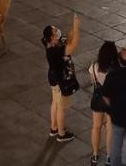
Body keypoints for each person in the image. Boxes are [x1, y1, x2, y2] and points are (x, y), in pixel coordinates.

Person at [43, 15, 81, 143]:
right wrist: (76, 27)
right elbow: (73, 45)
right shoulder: (56, 50)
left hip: (53, 78)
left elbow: (68, 39)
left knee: (55, 102)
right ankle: (61, 133)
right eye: (55, 31)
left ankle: (54, 128)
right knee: (61, 107)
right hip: (60, 80)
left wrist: (73, 25)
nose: (57, 30)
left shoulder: (51, 43)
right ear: (52, 38)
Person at [88, 41, 119, 166]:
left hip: (97, 99)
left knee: (96, 126)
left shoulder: (94, 67)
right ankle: (110, 156)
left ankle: (95, 154)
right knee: (110, 128)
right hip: (112, 101)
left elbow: (93, 83)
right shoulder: (117, 70)